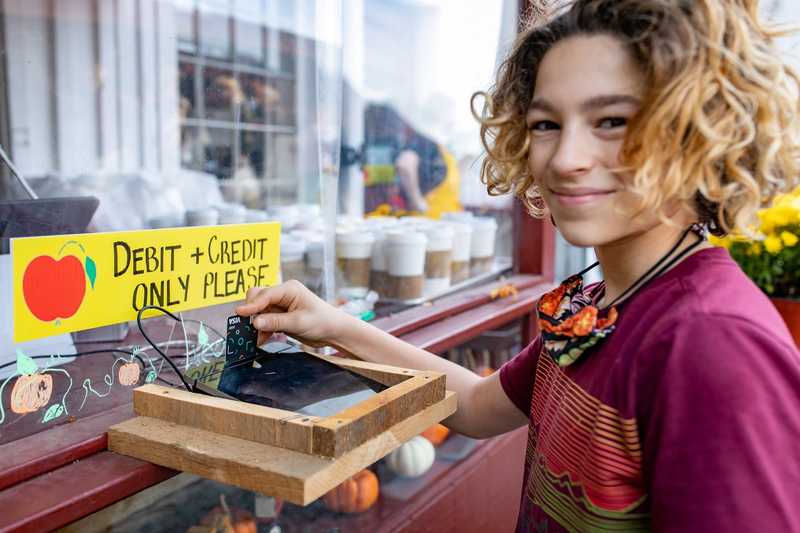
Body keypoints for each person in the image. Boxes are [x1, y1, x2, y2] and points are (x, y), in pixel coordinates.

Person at [236, 1, 800, 530]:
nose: (566, 159)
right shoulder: (603, 298)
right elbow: (480, 406)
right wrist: (333, 327)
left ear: (695, 131)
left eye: (611, 121)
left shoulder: (713, 343)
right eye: (545, 124)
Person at [363, 103, 461, 217]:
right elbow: (405, 163)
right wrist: (417, 202)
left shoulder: (440, 146)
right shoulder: (425, 143)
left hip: (445, 223)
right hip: (427, 222)